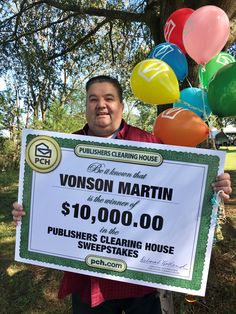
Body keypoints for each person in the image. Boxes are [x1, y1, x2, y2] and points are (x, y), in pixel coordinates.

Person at [12, 75, 232, 314]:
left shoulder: (149, 143)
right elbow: (49, 199)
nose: (101, 105)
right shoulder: (66, 149)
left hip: (140, 280)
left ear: (121, 105)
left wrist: (213, 185)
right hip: (89, 282)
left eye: (109, 98)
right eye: (93, 99)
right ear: (86, 106)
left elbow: (178, 194)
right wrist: (28, 211)